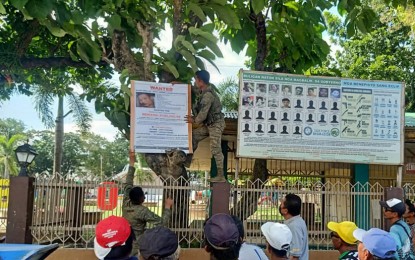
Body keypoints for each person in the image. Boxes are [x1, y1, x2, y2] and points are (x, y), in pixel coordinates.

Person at [123, 151, 174, 256]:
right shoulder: (142, 211)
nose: (145, 197)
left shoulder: (126, 202)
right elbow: (161, 222)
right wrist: (167, 206)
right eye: (143, 196)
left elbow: (128, 181)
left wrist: (131, 163)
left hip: (124, 243)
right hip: (137, 247)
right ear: (141, 199)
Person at [185, 70, 226, 182]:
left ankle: (221, 176)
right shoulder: (202, 90)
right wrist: (177, 84)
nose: (195, 82)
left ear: (200, 81)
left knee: (215, 147)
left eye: (196, 79)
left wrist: (193, 120)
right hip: (208, 124)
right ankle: (187, 160)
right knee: (193, 137)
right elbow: (192, 88)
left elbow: (202, 115)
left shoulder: (208, 95)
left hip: (216, 124)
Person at [280, 193, 309, 260]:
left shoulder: (294, 226)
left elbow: (295, 255)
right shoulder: (297, 221)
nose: (280, 205)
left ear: (285, 211)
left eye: (282, 204)